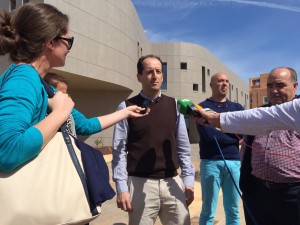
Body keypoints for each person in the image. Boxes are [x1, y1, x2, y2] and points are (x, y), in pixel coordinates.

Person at [0, 3, 147, 172]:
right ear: (50, 42)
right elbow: (7, 151)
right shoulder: (23, 77)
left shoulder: (42, 85)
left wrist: (126, 112)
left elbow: (85, 125)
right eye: (68, 41)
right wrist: (59, 113)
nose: (69, 48)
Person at [112, 54, 195, 225]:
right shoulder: (126, 107)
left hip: (172, 183)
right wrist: (121, 187)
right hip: (140, 183)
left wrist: (188, 181)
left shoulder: (175, 105)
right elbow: (119, 150)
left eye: (158, 71)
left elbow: (183, 148)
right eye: (149, 72)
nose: (155, 76)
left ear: (163, 76)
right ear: (139, 77)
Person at [240, 67, 300, 225]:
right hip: (258, 193)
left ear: (295, 86)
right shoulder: (258, 115)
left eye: (280, 85)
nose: (274, 90)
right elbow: (246, 151)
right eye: (270, 86)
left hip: (293, 195)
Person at [197, 73, 244, 225]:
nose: (224, 84)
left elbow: (243, 134)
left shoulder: (237, 108)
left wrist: (220, 129)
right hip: (211, 163)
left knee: (233, 209)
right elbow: (210, 137)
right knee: (208, 210)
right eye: (220, 81)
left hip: (234, 163)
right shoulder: (201, 108)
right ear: (211, 85)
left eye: (226, 81)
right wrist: (232, 133)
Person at [196, 94, 300, 134]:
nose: (274, 90)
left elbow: (265, 117)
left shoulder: (236, 106)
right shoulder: (203, 105)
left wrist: (213, 118)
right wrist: (213, 118)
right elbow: (265, 117)